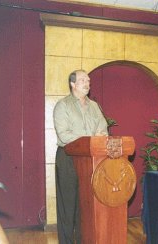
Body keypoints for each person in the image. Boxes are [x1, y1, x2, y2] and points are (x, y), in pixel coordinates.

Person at [53, 70, 108, 243]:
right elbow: (64, 135)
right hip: (68, 157)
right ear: (73, 84)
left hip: (92, 159)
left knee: (86, 205)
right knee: (68, 206)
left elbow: (103, 129)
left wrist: (98, 138)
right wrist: (89, 140)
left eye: (88, 80)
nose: (87, 83)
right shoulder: (63, 105)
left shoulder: (94, 106)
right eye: (83, 80)